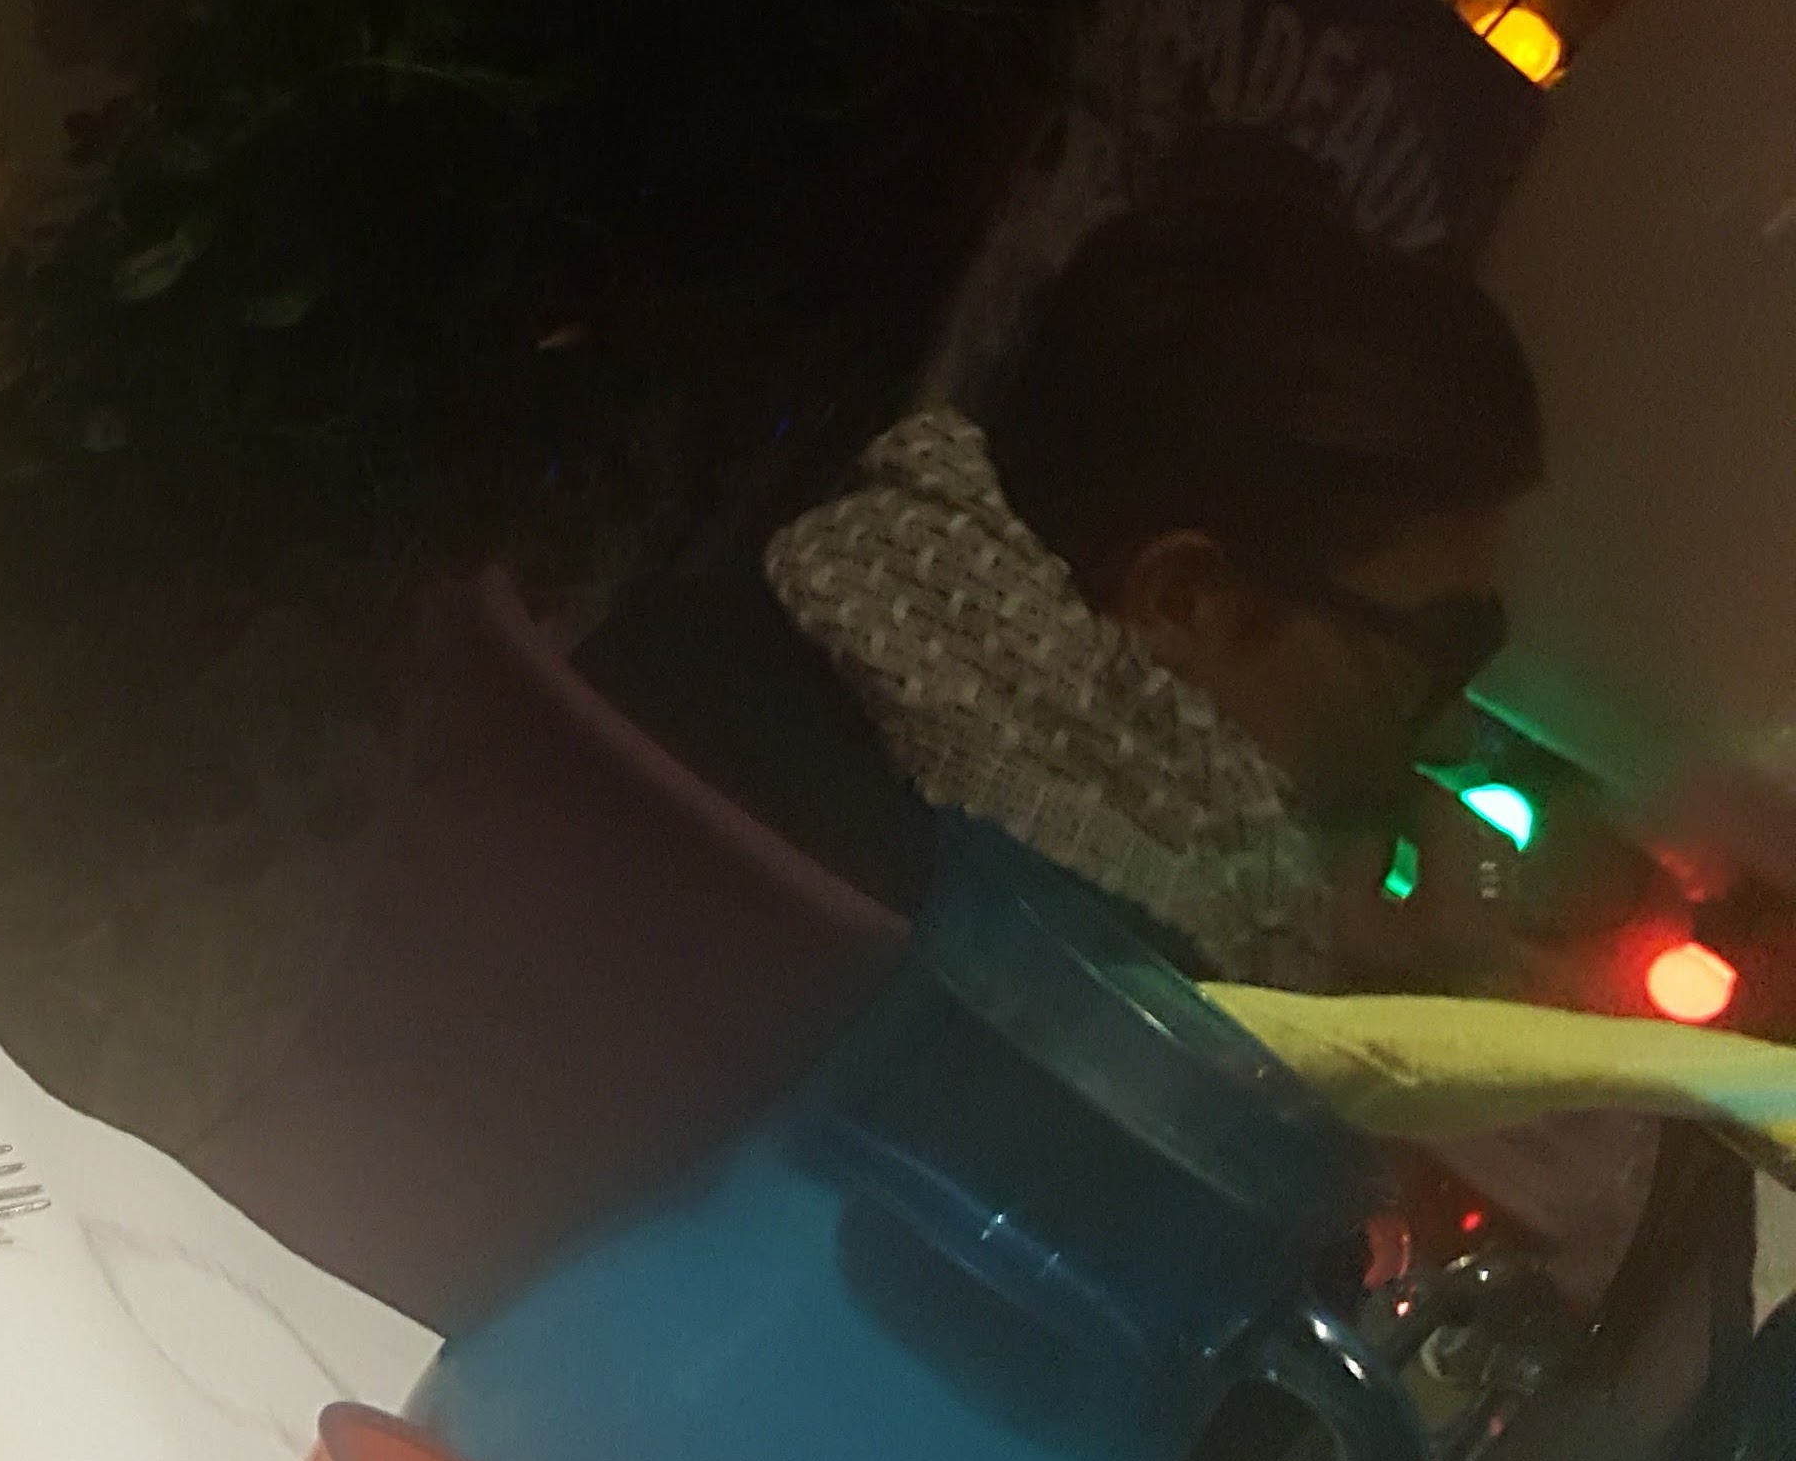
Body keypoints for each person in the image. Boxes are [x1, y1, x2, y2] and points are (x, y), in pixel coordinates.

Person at [582, 133, 1544, 991]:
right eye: (1431, 656)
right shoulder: (1074, 997)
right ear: (1183, 600)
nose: (1451, 731)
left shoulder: (712, 637)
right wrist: (1373, 1053)